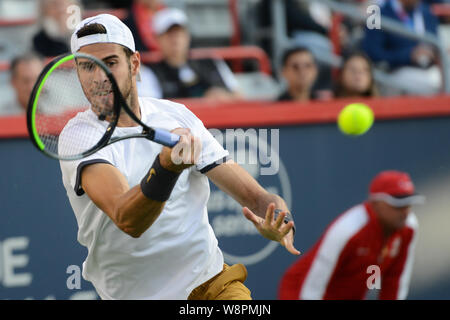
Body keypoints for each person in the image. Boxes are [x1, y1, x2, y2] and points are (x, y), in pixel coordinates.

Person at [59, 13, 299, 300]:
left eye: (110, 63)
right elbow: (128, 219)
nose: (99, 77)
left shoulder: (177, 115)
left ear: (134, 64)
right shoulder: (78, 137)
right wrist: (166, 167)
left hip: (211, 284)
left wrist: (278, 219)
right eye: (88, 67)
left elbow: (258, 198)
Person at [279, 170, 424, 300]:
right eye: (398, 205)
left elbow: (395, 280)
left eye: (408, 204)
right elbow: (313, 286)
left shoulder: (409, 227)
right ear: (376, 204)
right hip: (301, 291)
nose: (405, 212)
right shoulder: (348, 229)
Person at [144, 8, 241, 101]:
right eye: (169, 34)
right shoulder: (150, 72)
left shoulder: (211, 61)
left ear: (187, 35)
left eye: (179, 33)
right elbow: (151, 110)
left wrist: (222, 97)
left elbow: (239, 97)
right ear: (157, 39)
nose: (175, 39)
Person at [361, 0, 441, 95]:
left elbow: (436, 43)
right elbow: (372, 53)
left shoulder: (426, 11)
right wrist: (408, 55)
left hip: (431, 69)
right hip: (396, 71)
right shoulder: (377, 13)